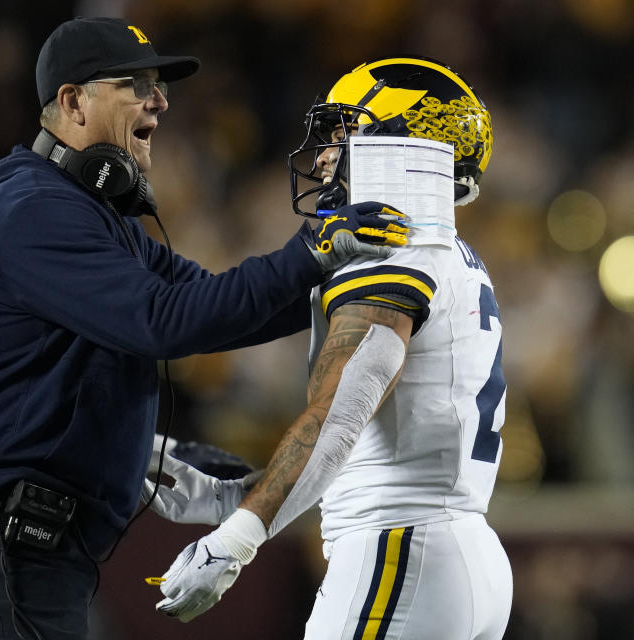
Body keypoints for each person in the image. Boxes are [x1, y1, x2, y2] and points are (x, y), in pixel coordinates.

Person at [0, 16, 408, 640]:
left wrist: (339, 278)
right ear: (72, 101)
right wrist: (312, 253)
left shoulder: (87, 212)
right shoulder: (30, 209)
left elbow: (205, 303)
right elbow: (163, 323)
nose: (161, 100)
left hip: (28, 537)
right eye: (136, 84)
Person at [154, 57, 514, 640]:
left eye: (344, 135)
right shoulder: (447, 252)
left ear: (403, 143)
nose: (323, 156)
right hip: (454, 552)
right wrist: (230, 497)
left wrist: (234, 542)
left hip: (401, 549)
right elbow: (369, 448)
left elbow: (338, 420)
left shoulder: (393, 253)